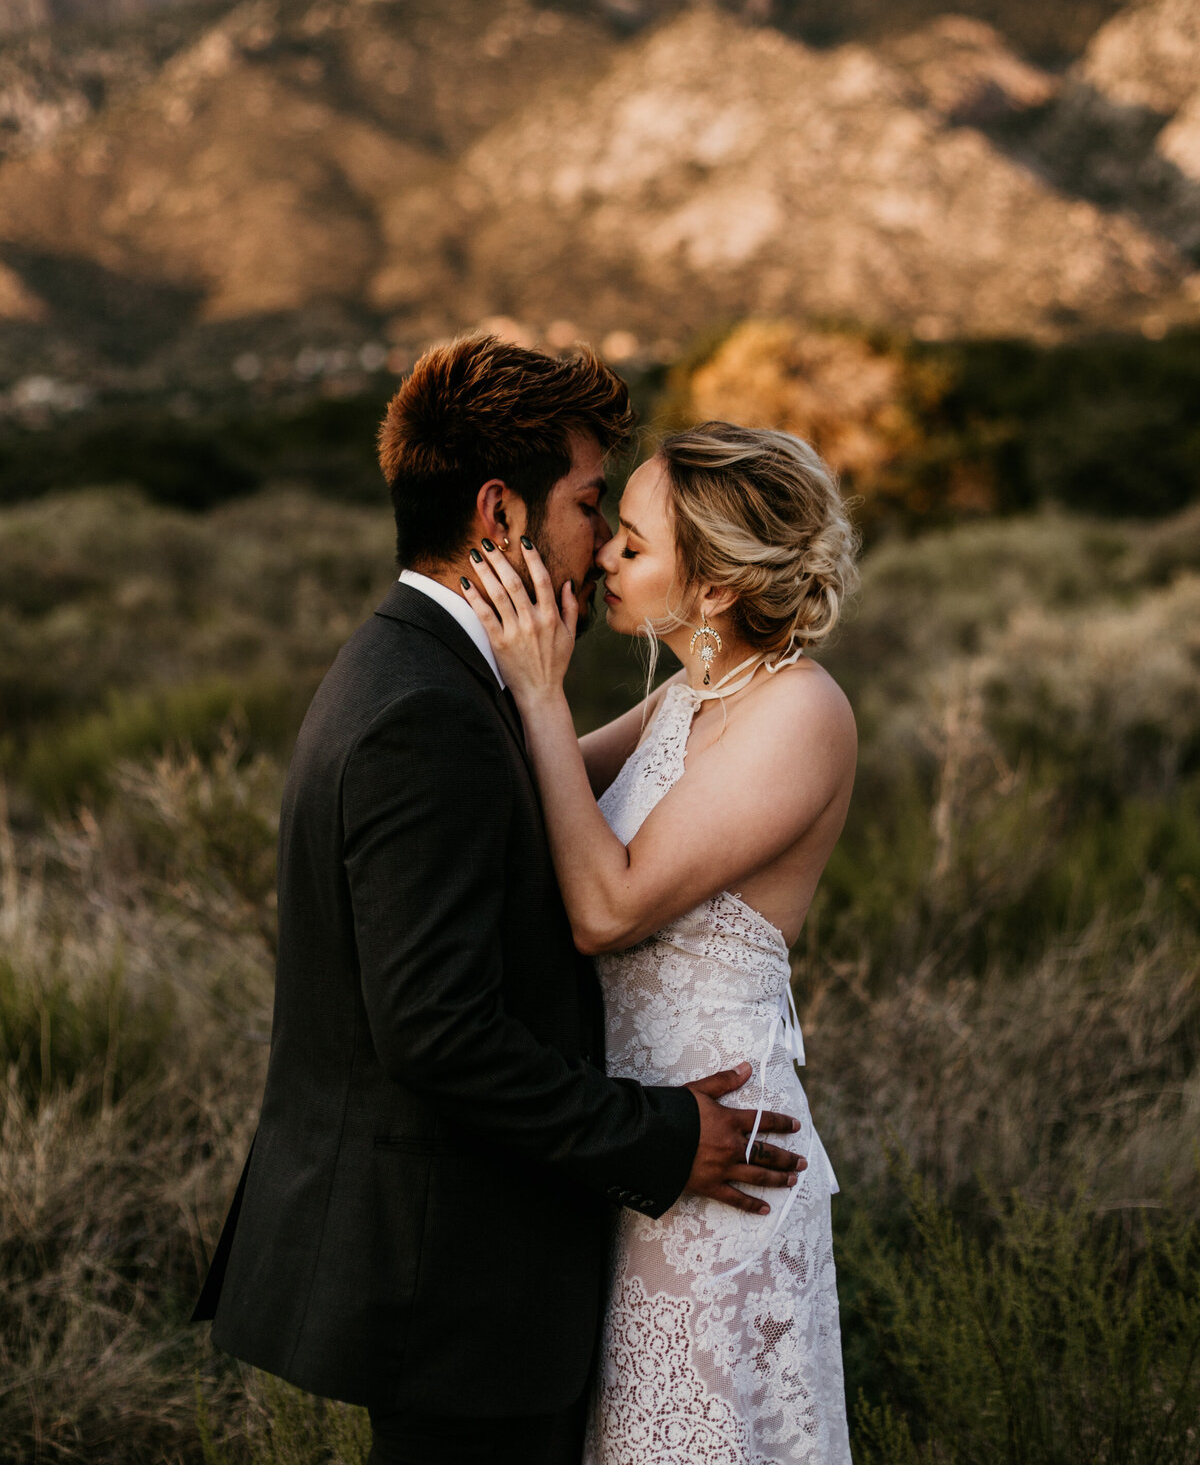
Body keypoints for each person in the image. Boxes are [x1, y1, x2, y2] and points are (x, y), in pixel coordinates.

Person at [193, 338, 805, 1465]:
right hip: (454, 1288)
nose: (600, 541)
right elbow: (436, 1031)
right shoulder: (428, 710)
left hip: (470, 1273)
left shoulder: (417, 669)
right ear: (499, 512)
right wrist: (662, 1138)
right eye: (587, 504)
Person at [461, 419, 858, 1464]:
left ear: (718, 588)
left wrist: (543, 689)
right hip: (639, 1147)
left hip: (722, 1162)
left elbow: (606, 906)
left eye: (632, 546)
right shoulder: (695, 695)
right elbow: (524, 798)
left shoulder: (800, 712)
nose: (603, 560)